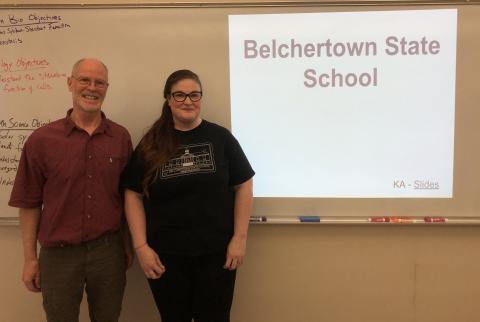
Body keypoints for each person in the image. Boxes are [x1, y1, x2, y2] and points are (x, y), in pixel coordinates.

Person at [122, 69, 254, 322]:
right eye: (180, 95)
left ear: (201, 98)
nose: (188, 101)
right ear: (168, 99)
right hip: (165, 258)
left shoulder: (221, 138)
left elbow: (244, 186)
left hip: (217, 255)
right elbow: (132, 194)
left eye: (194, 95)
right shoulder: (151, 143)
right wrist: (141, 247)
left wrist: (240, 238)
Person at [9, 58, 133, 322]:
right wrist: (30, 258)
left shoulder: (121, 138)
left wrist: (128, 244)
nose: (92, 87)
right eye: (84, 80)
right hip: (58, 256)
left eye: (100, 82)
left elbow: (127, 199)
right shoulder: (41, 140)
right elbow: (29, 202)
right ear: (70, 83)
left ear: (106, 88)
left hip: (108, 251)